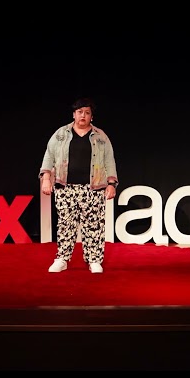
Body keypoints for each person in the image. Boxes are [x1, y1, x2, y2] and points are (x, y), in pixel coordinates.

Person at [39, 97, 118, 273]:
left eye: (87, 113)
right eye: (80, 112)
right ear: (74, 114)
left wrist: (111, 184)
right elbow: (49, 156)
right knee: (65, 225)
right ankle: (62, 258)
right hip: (65, 188)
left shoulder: (100, 136)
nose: (83, 115)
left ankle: (94, 260)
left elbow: (109, 161)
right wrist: (46, 178)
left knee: (94, 226)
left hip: (93, 188)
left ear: (92, 116)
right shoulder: (61, 134)